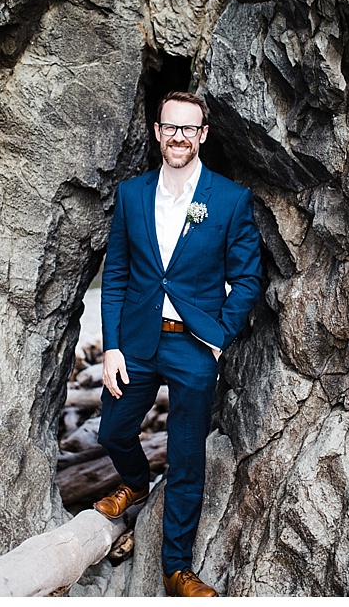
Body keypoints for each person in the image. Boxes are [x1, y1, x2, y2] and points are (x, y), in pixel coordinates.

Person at [94, 91, 262, 597]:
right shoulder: (131, 195)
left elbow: (248, 279)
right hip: (138, 343)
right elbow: (118, 274)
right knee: (113, 431)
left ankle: (176, 568)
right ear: (157, 131)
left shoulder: (230, 200)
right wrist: (111, 347)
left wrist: (217, 337)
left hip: (194, 347)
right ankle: (137, 481)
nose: (180, 137)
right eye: (171, 127)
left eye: (190, 129)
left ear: (203, 135)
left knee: (187, 460)